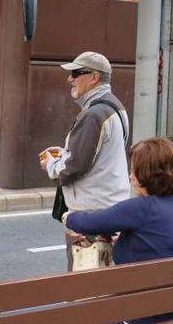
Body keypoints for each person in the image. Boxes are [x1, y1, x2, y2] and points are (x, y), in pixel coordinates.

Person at [63, 138, 173, 324]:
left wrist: (68, 218)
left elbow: (90, 222)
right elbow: (157, 242)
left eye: (134, 170)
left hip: (141, 315)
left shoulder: (141, 208)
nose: (130, 176)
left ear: (149, 173)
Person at [40, 51, 131, 270]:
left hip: (91, 216)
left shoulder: (93, 115)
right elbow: (100, 157)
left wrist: (51, 165)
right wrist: (66, 153)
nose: (70, 78)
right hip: (110, 209)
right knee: (104, 282)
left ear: (94, 77)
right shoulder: (116, 107)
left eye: (76, 73)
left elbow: (76, 166)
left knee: (85, 288)